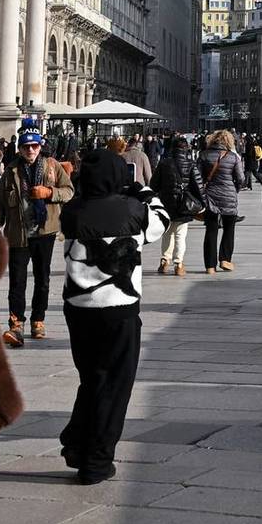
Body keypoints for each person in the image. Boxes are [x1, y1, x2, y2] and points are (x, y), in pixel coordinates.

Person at [59, 147, 169, 484]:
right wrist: (143, 190)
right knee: (115, 384)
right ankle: (96, 460)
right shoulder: (134, 209)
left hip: (78, 310)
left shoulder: (72, 212)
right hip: (119, 309)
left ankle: (78, 443)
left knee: (92, 378)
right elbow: (161, 222)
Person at [0, 123, 74, 347]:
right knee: (17, 281)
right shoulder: (11, 170)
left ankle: (38, 319)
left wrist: (50, 192)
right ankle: (16, 323)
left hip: (45, 231)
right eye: (26, 146)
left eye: (34, 146)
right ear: (20, 148)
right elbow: (0, 201)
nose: (30, 150)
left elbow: (69, 191)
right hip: (18, 232)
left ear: (40, 146)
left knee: (42, 278)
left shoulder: (52, 166)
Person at [153, 136, 204, 276]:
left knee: (167, 233)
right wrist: (203, 202)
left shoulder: (164, 163)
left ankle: (164, 261)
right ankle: (178, 264)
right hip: (184, 205)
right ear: (186, 148)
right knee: (180, 235)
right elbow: (198, 186)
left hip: (166, 204)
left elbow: (154, 184)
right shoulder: (191, 164)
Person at [200, 130, 245, 275]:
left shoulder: (204, 155)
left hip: (210, 197)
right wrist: (234, 190)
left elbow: (198, 177)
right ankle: (225, 259)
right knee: (229, 228)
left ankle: (210, 266)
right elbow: (240, 178)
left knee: (211, 230)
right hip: (229, 197)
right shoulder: (233, 157)